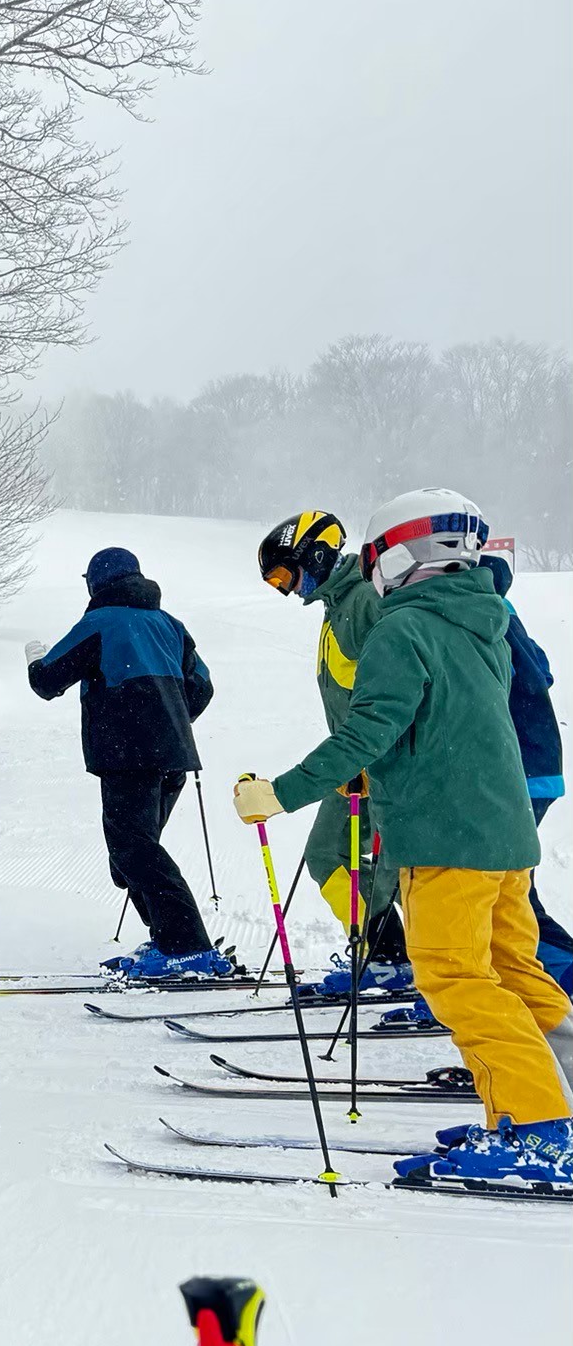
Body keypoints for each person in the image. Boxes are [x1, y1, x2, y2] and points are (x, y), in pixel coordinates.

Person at [234, 491, 573, 1189]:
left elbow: (367, 731)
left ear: (399, 554)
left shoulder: (401, 628)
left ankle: (542, 1131)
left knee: (455, 977)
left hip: (446, 836)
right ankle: (538, 1109)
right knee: (514, 973)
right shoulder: (482, 619)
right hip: (502, 835)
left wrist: (280, 793)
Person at [27, 545, 224, 980]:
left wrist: (32, 658)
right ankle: (169, 939)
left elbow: (47, 680)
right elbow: (203, 687)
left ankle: (187, 947)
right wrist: (167, 719)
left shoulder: (101, 621)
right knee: (132, 855)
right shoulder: (171, 625)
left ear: (96, 583)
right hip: (172, 756)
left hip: (127, 754)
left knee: (135, 850)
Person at [256, 510, 411, 996]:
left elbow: (394, 687)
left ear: (316, 556)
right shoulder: (337, 608)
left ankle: (396, 957)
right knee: (329, 855)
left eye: (285, 575)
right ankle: (388, 953)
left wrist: (368, 754)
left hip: (381, 763)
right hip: (357, 767)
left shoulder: (364, 601)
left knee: (386, 862)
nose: (285, 590)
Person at [476, 539, 573, 981]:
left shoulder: (481, 608)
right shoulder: (498, 604)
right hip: (534, 764)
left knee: (502, 890)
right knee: (507, 887)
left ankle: (556, 973)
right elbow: (542, 668)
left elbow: (521, 675)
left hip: (517, 767)